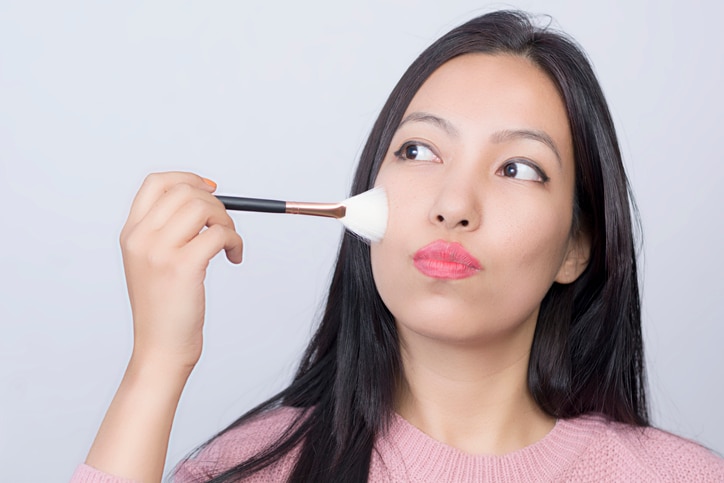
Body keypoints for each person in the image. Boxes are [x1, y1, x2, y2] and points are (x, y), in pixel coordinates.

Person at [72, 9, 724, 483]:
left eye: (518, 167)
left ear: (575, 247)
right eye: (417, 150)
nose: (452, 203)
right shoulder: (240, 471)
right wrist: (156, 364)